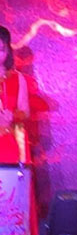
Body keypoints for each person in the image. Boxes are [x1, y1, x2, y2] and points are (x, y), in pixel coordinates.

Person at [0, 26, 30, 164]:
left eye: (1, 49)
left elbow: (25, 112)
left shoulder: (17, 79)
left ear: (7, 51)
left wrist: (12, 116)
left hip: (11, 144)